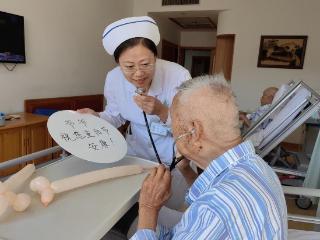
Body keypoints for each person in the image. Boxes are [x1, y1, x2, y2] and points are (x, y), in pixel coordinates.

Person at [130, 75, 287, 239]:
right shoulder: (257, 165)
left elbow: (212, 206)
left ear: (193, 132)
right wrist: (186, 171)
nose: (173, 132)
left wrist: (148, 207)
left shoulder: (215, 208)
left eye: (173, 125)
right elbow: (209, 194)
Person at [78, 16, 191, 236]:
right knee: (132, 205)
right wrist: (96, 117)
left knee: (165, 214)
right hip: (135, 155)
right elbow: (115, 116)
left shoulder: (178, 75)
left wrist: (161, 111)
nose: (138, 74)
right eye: (128, 67)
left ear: (156, 57)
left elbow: (188, 127)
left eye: (146, 64)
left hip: (172, 157)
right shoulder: (112, 78)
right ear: (118, 63)